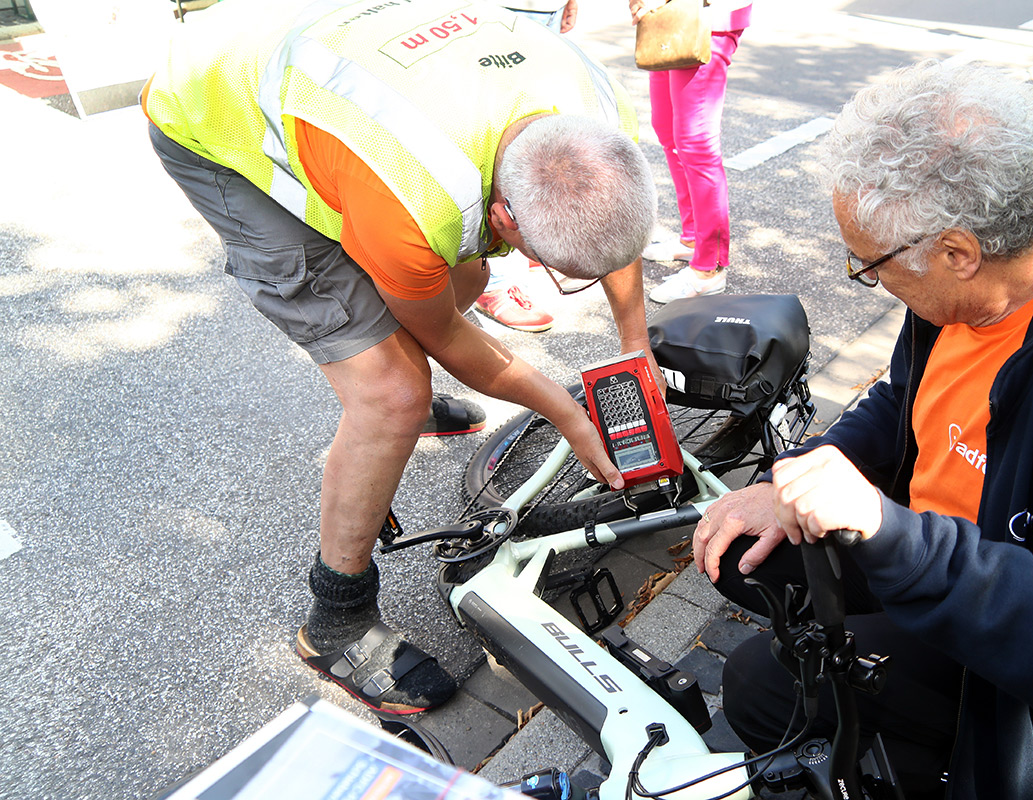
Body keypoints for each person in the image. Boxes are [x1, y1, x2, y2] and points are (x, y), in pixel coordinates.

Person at [693, 60, 1033, 799]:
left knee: (759, 685)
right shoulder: (963, 296)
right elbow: (906, 399)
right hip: (956, 560)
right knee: (742, 558)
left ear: (958, 252)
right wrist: (821, 464)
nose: (867, 276)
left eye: (868, 264)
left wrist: (891, 535)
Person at [143, 0, 657, 715]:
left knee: (466, 276)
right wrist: (567, 413)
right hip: (215, 113)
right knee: (392, 393)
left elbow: (612, 235)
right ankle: (336, 620)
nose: (548, 274)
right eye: (545, 260)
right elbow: (449, 338)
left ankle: (385, 402)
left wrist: (637, 348)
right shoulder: (416, 192)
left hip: (334, 70)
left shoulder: (596, 117)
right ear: (504, 215)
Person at [628, 0, 751, 303]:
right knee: (667, 129)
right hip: (667, 16)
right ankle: (693, 236)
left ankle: (710, 267)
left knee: (696, 143)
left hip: (707, 15)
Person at [476, 0, 583, 332]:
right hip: (488, 10)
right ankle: (494, 284)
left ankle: (541, 253)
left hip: (543, 9)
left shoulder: (605, 112)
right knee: (491, 131)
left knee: (539, 131)